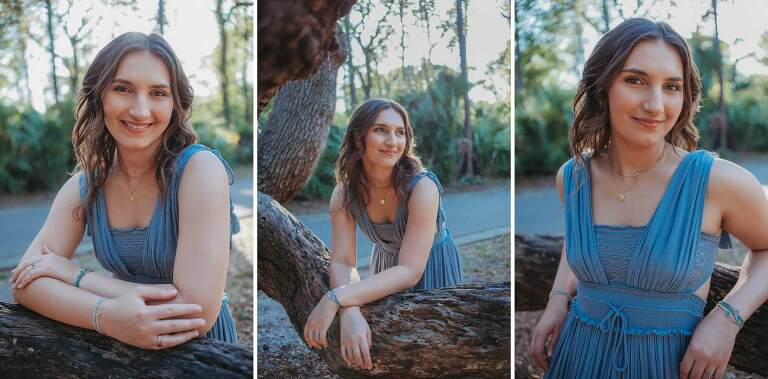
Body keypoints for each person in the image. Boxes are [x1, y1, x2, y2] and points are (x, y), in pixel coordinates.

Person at [530, 18, 768, 378]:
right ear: (602, 85)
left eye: (671, 86)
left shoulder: (719, 182)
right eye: (635, 80)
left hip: (666, 366)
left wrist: (728, 318)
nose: (655, 104)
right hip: (576, 356)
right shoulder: (573, 176)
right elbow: (578, 241)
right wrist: (557, 300)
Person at [10, 32, 240, 349]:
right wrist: (104, 316)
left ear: (175, 105)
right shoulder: (84, 186)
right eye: (123, 89)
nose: (140, 110)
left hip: (206, 356)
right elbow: (25, 284)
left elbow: (194, 312)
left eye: (158, 93)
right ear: (99, 95)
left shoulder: (199, 170)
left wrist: (76, 277)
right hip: (122, 346)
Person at [302, 99, 462, 369]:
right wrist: (350, 309)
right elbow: (343, 262)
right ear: (358, 136)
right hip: (386, 266)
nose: (392, 141)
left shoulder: (422, 187)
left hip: (431, 267)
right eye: (380, 130)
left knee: (435, 357)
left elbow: (411, 270)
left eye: (400, 132)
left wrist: (335, 298)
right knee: (388, 352)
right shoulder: (343, 193)